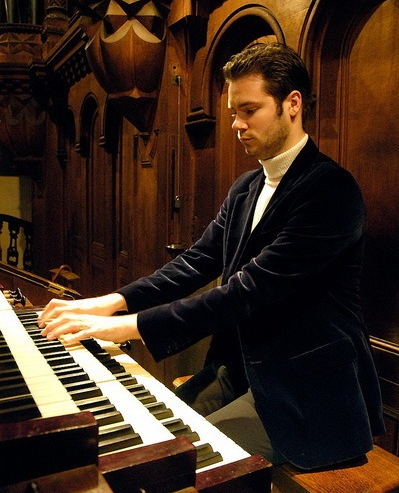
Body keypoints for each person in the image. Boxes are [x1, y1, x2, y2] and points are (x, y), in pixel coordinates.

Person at [39, 42, 385, 470]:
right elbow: (195, 262)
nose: (236, 124)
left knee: (168, 461)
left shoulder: (332, 191)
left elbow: (246, 293)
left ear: (292, 104)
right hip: (241, 368)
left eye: (249, 110)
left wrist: (123, 328)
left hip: (306, 391)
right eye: (232, 112)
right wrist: (108, 302)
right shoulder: (246, 187)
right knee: (141, 430)